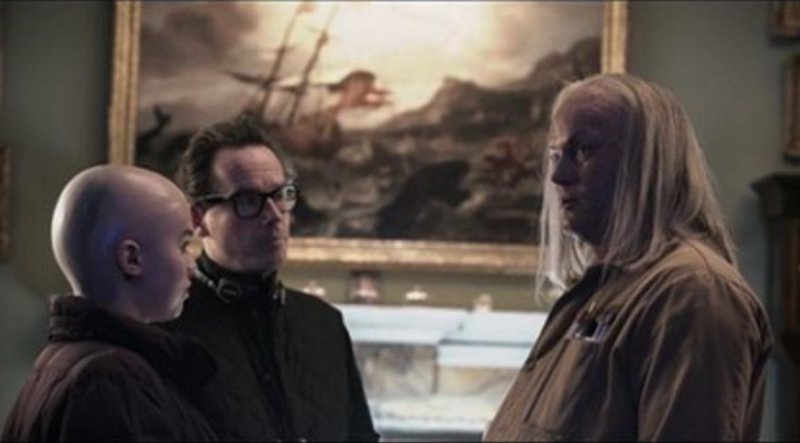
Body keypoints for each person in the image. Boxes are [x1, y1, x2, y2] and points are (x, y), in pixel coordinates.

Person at [484, 74, 773, 441]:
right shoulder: (607, 289)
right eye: (556, 154)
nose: (559, 176)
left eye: (583, 150)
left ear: (649, 163)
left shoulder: (693, 292)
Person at [160, 115, 378, 441]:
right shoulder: (166, 328)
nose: (275, 216)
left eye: (280, 195)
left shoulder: (324, 323)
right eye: (248, 200)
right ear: (199, 219)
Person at [2, 165, 217, 441]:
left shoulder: (56, 363)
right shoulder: (108, 381)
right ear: (131, 259)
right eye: (183, 246)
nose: (193, 267)